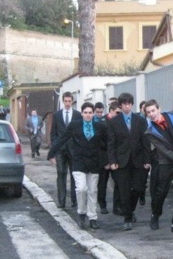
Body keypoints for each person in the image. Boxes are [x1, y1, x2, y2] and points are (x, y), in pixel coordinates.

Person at [48, 102, 108, 230]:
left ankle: (92, 217)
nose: (88, 115)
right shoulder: (75, 125)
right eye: (85, 113)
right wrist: (51, 152)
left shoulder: (100, 127)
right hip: (79, 162)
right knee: (81, 189)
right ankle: (81, 213)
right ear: (81, 113)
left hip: (94, 163)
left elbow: (106, 144)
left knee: (92, 191)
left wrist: (108, 160)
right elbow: (63, 138)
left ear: (93, 114)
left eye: (90, 113)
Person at [144, 100, 173, 234]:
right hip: (166, 163)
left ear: (159, 109)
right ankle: (155, 215)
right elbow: (166, 152)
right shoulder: (150, 131)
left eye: (153, 110)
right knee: (161, 192)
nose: (152, 114)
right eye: (148, 112)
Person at [107, 93, 151, 230]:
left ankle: (130, 210)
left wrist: (147, 160)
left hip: (138, 161)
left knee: (138, 188)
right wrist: (112, 160)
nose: (127, 106)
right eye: (124, 104)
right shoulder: (114, 121)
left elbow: (146, 142)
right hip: (121, 161)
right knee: (124, 190)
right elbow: (111, 143)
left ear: (132, 104)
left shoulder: (140, 121)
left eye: (129, 103)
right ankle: (127, 218)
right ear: (120, 105)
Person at [50, 92, 82, 209]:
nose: (68, 103)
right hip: (61, 150)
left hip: (74, 150)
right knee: (61, 174)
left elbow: (79, 133)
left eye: (69, 101)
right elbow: (53, 133)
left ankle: (75, 200)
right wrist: (53, 150)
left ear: (72, 101)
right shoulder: (57, 115)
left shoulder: (78, 115)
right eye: (66, 101)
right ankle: (61, 201)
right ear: (63, 101)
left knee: (75, 176)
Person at [99, 101, 122, 216]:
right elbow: (100, 144)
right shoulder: (102, 123)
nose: (119, 115)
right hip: (104, 158)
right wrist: (106, 161)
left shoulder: (120, 122)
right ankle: (102, 204)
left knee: (118, 182)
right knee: (102, 183)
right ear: (111, 111)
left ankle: (117, 206)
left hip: (116, 158)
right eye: (117, 112)